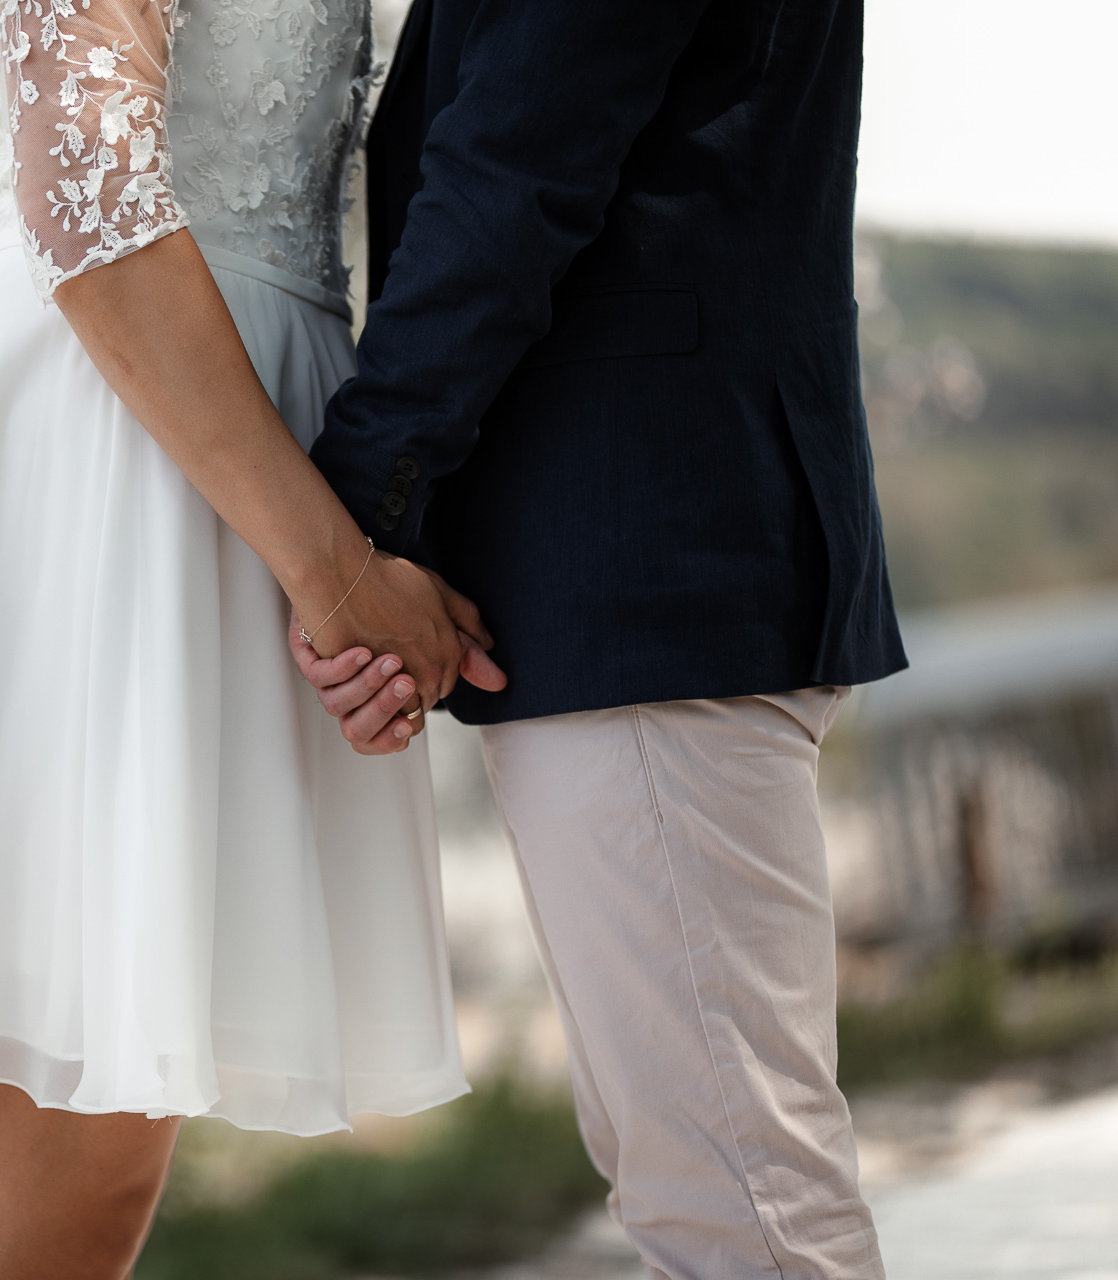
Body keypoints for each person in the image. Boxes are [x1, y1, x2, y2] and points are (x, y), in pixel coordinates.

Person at [0, 0, 504, 1272]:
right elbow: (85, 191)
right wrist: (337, 570)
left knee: (95, 1180)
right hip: (107, 460)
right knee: (63, 1198)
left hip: (224, 456)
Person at [293, 0, 906, 1275]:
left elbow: (513, 170)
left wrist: (341, 535)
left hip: (640, 555)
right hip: (668, 549)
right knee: (699, 1171)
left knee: (738, 1200)